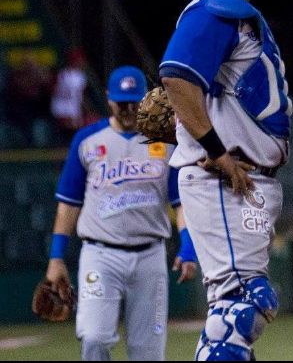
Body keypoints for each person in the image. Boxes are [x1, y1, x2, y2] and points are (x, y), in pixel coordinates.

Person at [158, 0, 293, 361]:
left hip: (248, 182)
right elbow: (176, 77)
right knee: (247, 305)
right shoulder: (215, 9)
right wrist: (215, 149)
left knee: (232, 308)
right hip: (227, 179)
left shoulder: (235, 13)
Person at [45, 65, 197, 361]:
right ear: (108, 98)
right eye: (121, 102)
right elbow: (68, 203)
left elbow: (182, 204)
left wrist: (188, 248)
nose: (128, 109)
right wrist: (56, 257)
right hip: (100, 256)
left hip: (150, 256)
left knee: (148, 353)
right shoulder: (87, 140)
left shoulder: (164, 144)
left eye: (134, 102)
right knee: (94, 338)